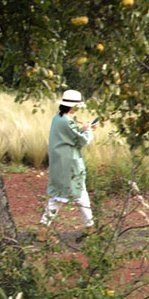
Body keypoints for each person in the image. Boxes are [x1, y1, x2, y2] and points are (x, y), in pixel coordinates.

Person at [40, 89, 96, 230]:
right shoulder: (67, 122)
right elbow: (82, 140)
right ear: (72, 106)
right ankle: (90, 228)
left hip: (58, 164)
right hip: (70, 164)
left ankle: (43, 228)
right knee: (81, 194)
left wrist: (83, 129)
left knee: (56, 195)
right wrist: (88, 130)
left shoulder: (57, 118)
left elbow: (70, 137)